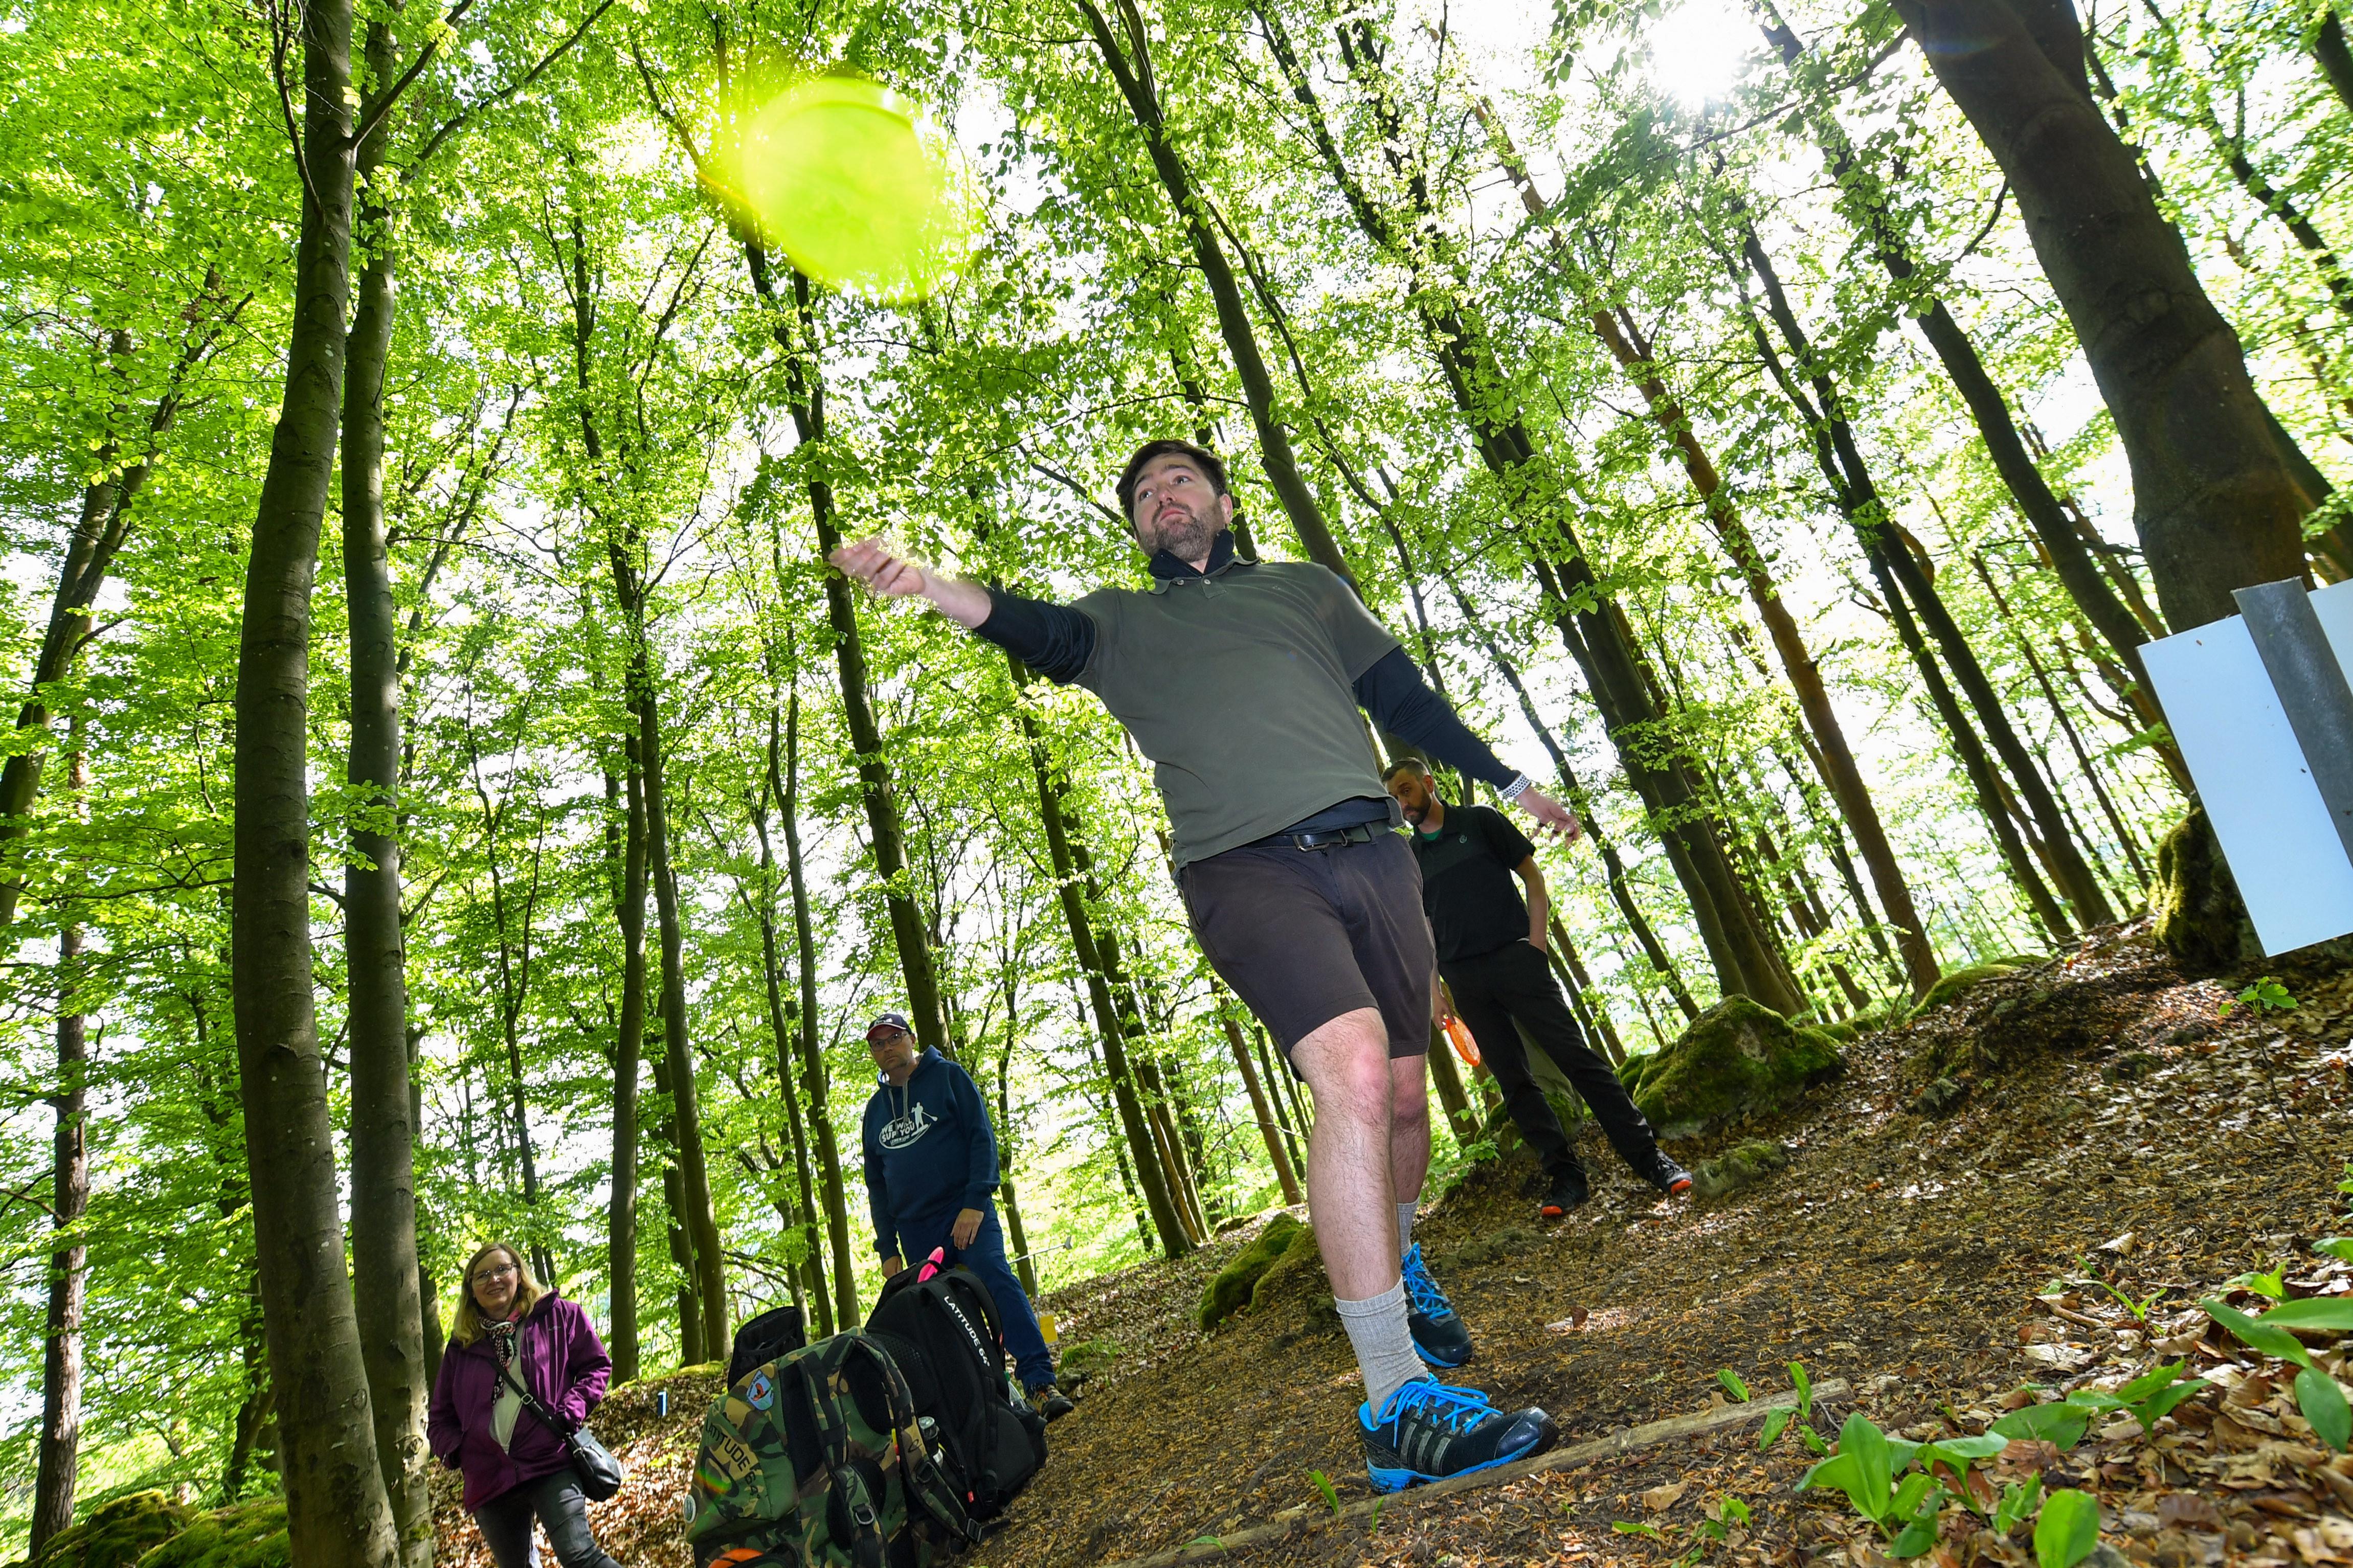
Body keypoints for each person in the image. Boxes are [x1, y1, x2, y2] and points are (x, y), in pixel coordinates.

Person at [830, 438, 1577, 1493]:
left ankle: (1398, 1263)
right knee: (1355, 1074)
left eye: (1178, 481)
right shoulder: (1125, 625)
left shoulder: (1307, 592)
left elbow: (1404, 700)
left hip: (1374, 853)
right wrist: (921, 584)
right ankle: (1395, 1398)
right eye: (1141, 494)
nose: (1160, 497)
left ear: (1223, 504)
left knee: (1405, 1097)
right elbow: (1026, 624)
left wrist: (1505, 777)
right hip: (1244, 869)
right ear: (1136, 529)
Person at [1382, 757, 1692, 1217]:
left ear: (1428, 783)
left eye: (1406, 790)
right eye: (1394, 798)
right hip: (1464, 980)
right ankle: (1565, 1177)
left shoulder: (1480, 820)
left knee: (1576, 1058)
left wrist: (1537, 945)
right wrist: (1435, 993)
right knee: (1514, 1082)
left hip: (1516, 959)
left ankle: (1649, 1159)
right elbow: (1424, 930)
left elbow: (1532, 875)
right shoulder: (1411, 857)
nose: (1402, 802)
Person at [859, 1009, 1076, 1421]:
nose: (887, 1048)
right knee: (942, 1318)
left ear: (911, 1037)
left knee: (994, 1279)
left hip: (965, 1214)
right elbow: (877, 1187)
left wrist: (974, 1203)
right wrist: (888, 1249)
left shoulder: (949, 1078)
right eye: (878, 1043)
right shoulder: (874, 1114)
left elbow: (982, 1137)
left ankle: (1040, 1382)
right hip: (916, 1233)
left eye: (893, 1038)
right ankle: (991, 1406)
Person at [427, 1242, 621, 1568]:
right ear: (471, 1290)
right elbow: (440, 1417)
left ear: (519, 1273)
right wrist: (459, 1450)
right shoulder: (461, 1347)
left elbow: (596, 1366)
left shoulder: (560, 1316)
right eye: (482, 1275)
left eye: (503, 1269)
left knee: (581, 1557)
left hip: (550, 1462)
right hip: (489, 1477)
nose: (494, 1280)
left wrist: (571, 1410)